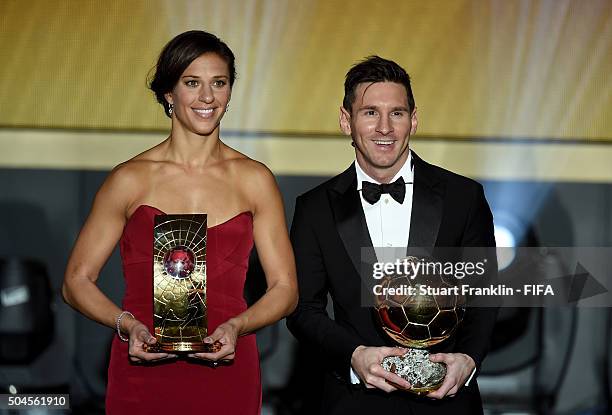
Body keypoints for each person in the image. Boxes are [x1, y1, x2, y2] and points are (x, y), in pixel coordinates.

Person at [62, 30, 298, 415]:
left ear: (229, 92)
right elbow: (75, 282)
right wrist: (127, 326)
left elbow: (285, 288)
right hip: (143, 366)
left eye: (218, 83)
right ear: (169, 93)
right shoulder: (130, 179)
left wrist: (237, 326)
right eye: (192, 83)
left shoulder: (255, 180)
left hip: (228, 368)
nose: (207, 97)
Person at [286, 56, 498, 414]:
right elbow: (303, 309)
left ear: (413, 120)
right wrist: (354, 356)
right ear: (345, 120)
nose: (384, 127)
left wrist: (468, 358)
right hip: (354, 403)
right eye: (370, 113)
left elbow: (485, 292)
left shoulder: (464, 197)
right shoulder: (315, 208)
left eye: (396, 113)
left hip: (446, 402)